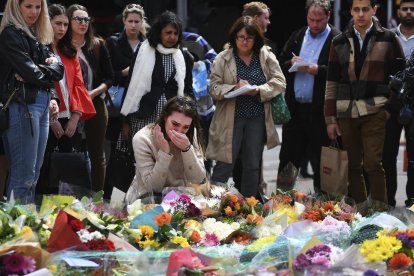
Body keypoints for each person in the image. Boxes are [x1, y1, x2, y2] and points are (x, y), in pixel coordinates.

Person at [325, 0, 405, 210]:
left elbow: (401, 76)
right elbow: (331, 82)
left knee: (373, 164)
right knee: (352, 165)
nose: (360, 14)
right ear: (350, 11)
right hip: (346, 110)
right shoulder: (339, 41)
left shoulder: (388, 37)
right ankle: (360, 212)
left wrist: (389, 109)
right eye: (356, 9)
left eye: (365, 9)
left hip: (376, 108)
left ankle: (379, 212)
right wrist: (330, 118)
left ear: (374, 10)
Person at [207, 16, 286, 198]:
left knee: (252, 165)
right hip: (231, 118)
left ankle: (249, 207)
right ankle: (211, 204)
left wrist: (259, 89)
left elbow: (280, 81)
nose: (244, 41)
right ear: (234, 38)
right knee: (225, 163)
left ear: (255, 39)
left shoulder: (265, 55)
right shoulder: (223, 58)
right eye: (240, 37)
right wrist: (235, 88)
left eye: (249, 37)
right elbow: (213, 88)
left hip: (257, 117)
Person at [0, 0, 64, 203]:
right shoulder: (10, 34)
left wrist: (38, 72)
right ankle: (15, 231)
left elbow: (58, 70)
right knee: (23, 176)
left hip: (41, 103)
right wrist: (41, 71)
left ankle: (25, 226)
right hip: (21, 104)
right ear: (16, 6)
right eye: (28, 6)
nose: (34, 11)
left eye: (38, 7)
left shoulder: (39, 34)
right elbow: (33, 73)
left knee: (34, 174)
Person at [278, 0, 340, 192]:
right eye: (311, 19)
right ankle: (282, 200)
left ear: (328, 17)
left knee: (322, 162)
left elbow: (342, 72)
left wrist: (317, 70)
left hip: (321, 112)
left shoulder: (337, 39)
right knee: (288, 158)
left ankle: (325, 206)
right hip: (295, 110)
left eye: (319, 20)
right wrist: (291, 63)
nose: (314, 24)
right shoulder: (297, 36)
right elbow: (280, 64)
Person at [37, 4, 97, 194]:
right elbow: (40, 84)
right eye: (57, 24)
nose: (62, 28)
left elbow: (79, 86)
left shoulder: (70, 52)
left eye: (65, 24)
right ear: (48, 23)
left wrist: (75, 117)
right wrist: (51, 118)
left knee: (68, 174)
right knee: (43, 168)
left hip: (69, 116)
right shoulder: (38, 49)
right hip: (45, 115)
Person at [119, 11, 194, 154]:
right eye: (168, 32)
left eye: (175, 33)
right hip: (143, 116)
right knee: (144, 159)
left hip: (173, 120)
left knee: (168, 158)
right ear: (159, 33)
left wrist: (191, 115)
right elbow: (131, 86)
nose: (172, 37)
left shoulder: (184, 56)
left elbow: (188, 90)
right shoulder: (144, 50)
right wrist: (125, 121)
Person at [66, 4, 115, 192]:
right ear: (69, 21)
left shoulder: (96, 45)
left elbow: (110, 78)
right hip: (68, 105)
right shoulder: (61, 45)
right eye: (78, 19)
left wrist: (92, 93)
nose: (83, 23)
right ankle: (71, 197)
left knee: (97, 153)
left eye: (86, 20)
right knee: (70, 151)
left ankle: (96, 200)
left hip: (94, 102)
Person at [125, 96, 206, 204]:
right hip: (148, 203)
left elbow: (198, 179)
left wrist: (187, 149)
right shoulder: (143, 138)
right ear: (165, 117)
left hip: (182, 201)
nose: (180, 131)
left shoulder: (191, 134)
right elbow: (152, 188)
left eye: (185, 127)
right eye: (175, 124)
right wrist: (164, 153)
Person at [105, 3, 149, 151]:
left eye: (137, 21)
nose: (133, 25)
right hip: (119, 99)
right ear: (124, 21)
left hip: (142, 100)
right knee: (116, 148)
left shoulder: (148, 44)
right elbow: (106, 74)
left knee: (142, 146)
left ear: (142, 21)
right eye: (130, 21)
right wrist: (125, 72)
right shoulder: (113, 42)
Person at [385, 0, 414, 207]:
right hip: (392, 103)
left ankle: (412, 200)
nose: (409, 12)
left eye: (412, 9)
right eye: (405, 9)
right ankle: (388, 200)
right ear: (398, 12)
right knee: (388, 155)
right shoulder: (388, 36)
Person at [182, 31, 217, 175]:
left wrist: (198, 66)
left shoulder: (193, 38)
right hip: (178, 107)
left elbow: (215, 59)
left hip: (202, 107)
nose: (171, 36)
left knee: (203, 144)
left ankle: (205, 179)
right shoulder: (158, 43)